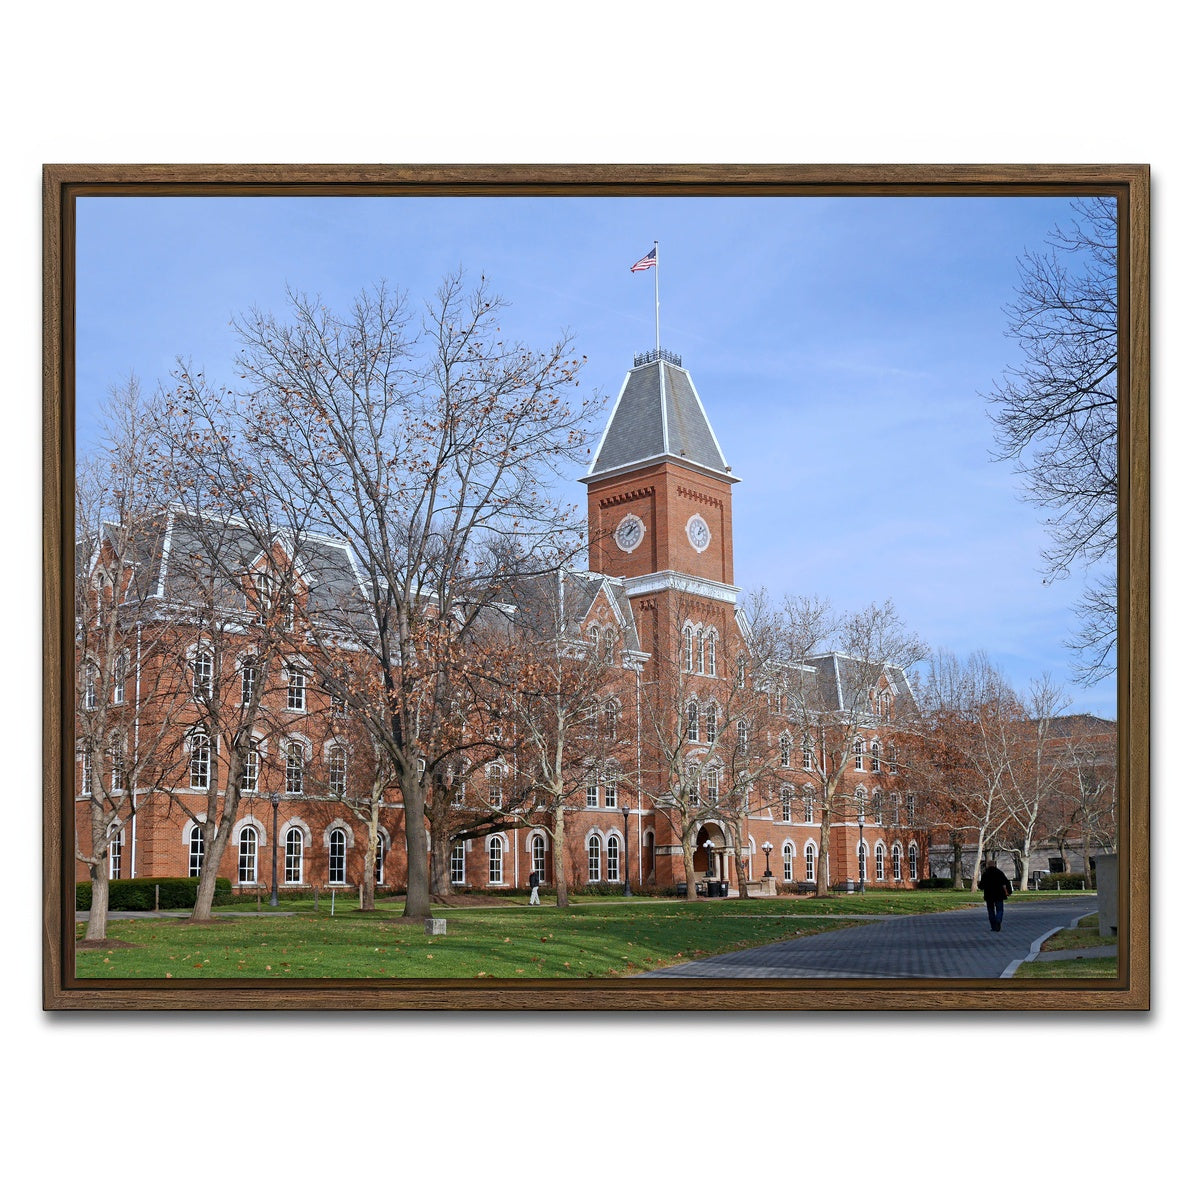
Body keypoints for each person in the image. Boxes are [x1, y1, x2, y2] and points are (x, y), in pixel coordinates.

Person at [979, 859, 1013, 931]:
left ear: (988, 865)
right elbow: (1006, 882)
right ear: (994, 865)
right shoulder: (999, 873)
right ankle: (998, 920)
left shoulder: (985, 874)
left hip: (989, 895)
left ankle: (993, 926)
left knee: (990, 910)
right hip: (999, 894)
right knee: (1000, 909)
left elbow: (981, 885)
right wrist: (1009, 892)